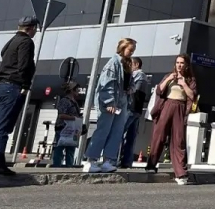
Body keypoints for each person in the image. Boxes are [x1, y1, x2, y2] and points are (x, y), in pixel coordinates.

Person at [0, 17, 39, 175]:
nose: (36, 31)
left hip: (2, 85)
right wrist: (25, 85)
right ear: (31, 28)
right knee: (3, 127)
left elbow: (3, 54)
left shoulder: (12, 41)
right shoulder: (26, 42)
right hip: (13, 86)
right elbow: (24, 64)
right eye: (35, 28)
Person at [83, 38, 136, 173]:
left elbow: (129, 82)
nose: (132, 52)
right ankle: (91, 160)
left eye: (133, 50)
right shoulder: (113, 63)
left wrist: (131, 89)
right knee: (103, 130)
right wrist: (109, 102)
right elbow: (107, 83)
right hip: (112, 102)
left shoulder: (126, 63)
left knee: (117, 132)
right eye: (130, 49)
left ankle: (108, 160)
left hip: (122, 101)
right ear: (123, 48)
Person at [147, 55, 198, 185]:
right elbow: (159, 90)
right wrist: (169, 79)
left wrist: (184, 84)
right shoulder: (169, 76)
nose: (179, 65)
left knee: (178, 139)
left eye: (182, 63)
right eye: (177, 63)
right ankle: (151, 166)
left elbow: (193, 95)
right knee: (159, 136)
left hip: (180, 108)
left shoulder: (190, 79)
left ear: (186, 65)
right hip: (166, 106)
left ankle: (180, 173)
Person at [119, 57, 148, 168]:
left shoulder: (138, 75)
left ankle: (115, 159)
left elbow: (132, 91)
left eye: (130, 64)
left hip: (130, 108)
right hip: (136, 110)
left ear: (135, 64)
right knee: (131, 137)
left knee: (120, 133)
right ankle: (127, 161)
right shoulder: (143, 76)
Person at [52, 81, 81, 167]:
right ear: (72, 90)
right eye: (77, 90)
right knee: (59, 148)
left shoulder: (74, 102)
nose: (78, 91)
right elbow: (61, 115)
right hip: (63, 128)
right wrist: (74, 118)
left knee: (71, 149)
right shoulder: (65, 101)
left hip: (72, 129)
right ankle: (56, 167)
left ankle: (69, 167)